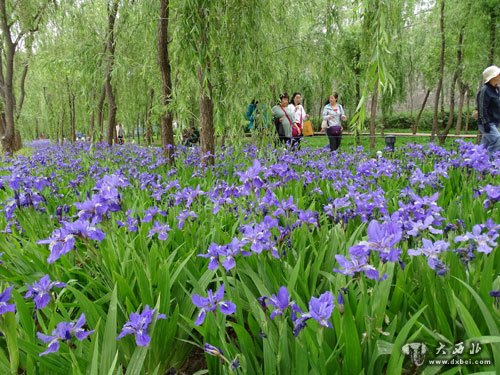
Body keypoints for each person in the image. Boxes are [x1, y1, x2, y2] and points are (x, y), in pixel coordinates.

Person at [476, 65, 500, 154]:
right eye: (498, 74)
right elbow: (481, 107)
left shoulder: (497, 89)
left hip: (494, 122)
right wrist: (485, 123)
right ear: (493, 77)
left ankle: (475, 161)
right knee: (498, 140)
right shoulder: (485, 90)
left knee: (483, 146)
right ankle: (488, 161)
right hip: (487, 123)